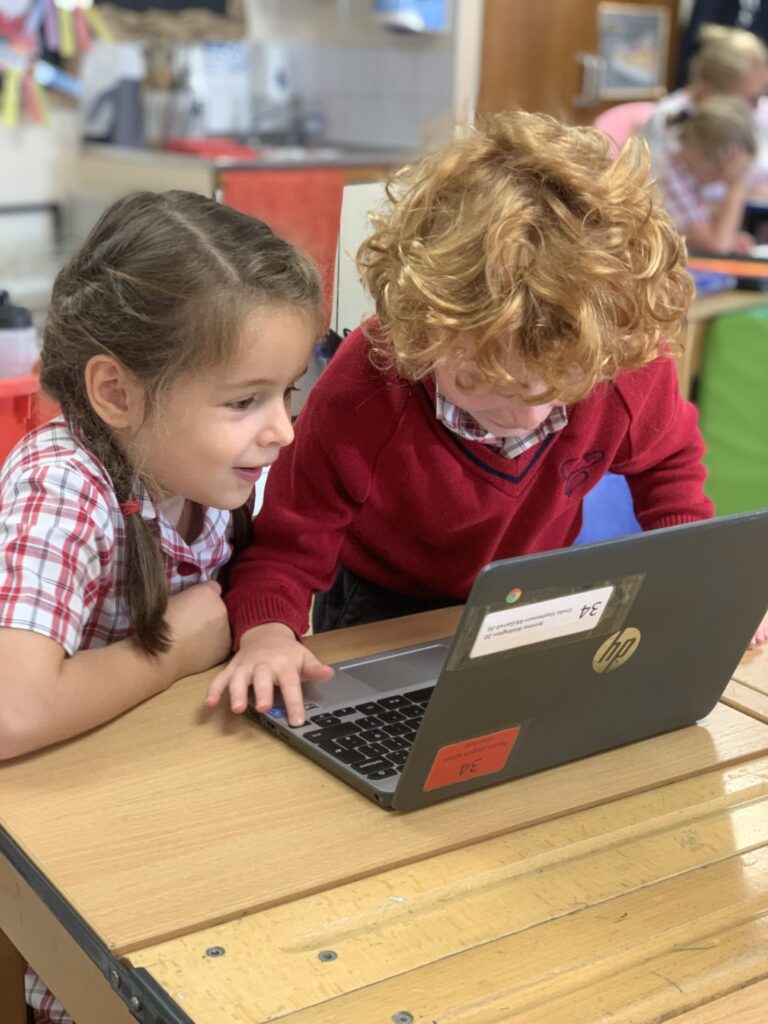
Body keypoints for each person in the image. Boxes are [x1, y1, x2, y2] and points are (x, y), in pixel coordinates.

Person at [205, 108, 739, 727]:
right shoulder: (366, 388)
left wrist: (697, 579)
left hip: (530, 590)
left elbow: (669, 465)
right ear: (422, 330)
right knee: (379, 748)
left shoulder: (617, 359)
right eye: (484, 383)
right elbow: (288, 548)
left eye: (559, 390)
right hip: (386, 598)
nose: (527, 414)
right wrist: (268, 632)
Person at [0, 190, 321, 1023]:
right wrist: (179, 648)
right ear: (116, 391)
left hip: (171, 799)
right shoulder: (62, 483)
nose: (282, 430)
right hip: (83, 872)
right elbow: (12, 709)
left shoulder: (204, 469)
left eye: (288, 391)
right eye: (246, 400)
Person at [640, 23, 768, 181]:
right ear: (710, 91)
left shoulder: (761, 112)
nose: (758, 105)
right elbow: (659, 194)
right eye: (749, 99)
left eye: (763, 92)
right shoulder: (669, 121)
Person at [657, 94, 758, 253]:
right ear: (697, 155)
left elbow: (713, 233)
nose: (724, 177)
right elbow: (716, 247)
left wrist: (731, 238)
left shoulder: (691, 171)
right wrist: (736, 188)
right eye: (721, 169)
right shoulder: (668, 177)